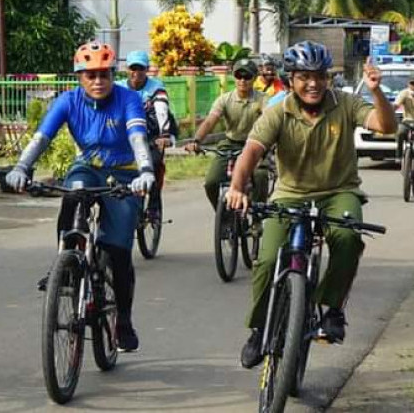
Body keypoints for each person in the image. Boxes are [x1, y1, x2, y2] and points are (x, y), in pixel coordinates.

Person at [225, 41, 396, 369]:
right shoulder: (279, 111)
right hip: (290, 195)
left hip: (339, 192)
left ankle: (332, 310)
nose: (313, 83)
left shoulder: (345, 104)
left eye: (319, 75)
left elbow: (385, 126)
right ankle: (260, 329)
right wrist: (237, 188)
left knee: (347, 239)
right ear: (291, 79)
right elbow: (251, 152)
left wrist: (376, 92)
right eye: (304, 76)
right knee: (267, 257)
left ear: (328, 77)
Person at [5, 40, 155, 352]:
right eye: (90, 75)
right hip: (87, 168)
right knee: (73, 195)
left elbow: (138, 136)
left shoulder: (128, 99)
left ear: (113, 75)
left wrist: (145, 171)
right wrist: (22, 167)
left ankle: (123, 320)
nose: (98, 81)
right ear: (78, 77)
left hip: (125, 174)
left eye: (104, 74)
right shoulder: (67, 102)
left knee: (119, 250)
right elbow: (41, 137)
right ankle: (66, 261)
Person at [184, 58, 268, 209]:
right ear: (233, 77)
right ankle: (223, 215)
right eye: (238, 76)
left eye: (247, 76)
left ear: (254, 78)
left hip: (255, 145)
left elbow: (269, 122)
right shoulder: (225, 99)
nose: (242, 80)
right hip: (230, 144)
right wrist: (196, 141)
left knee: (260, 176)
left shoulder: (262, 100)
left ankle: (257, 217)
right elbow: (210, 121)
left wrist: (267, 148)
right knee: (211, 182)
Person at [116, 50, 175, 217]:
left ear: (147, 69)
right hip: (125, 135)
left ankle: (154, 205)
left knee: (154, 163)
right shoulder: (118, 88)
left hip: (152, 135)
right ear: (127, 70)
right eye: (133, 69)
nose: (136, 73)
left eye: (140, 69)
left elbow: (161, 110)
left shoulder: (155, 87)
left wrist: (164, 135)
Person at [394, 73, 414, 182]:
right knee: (399, 132)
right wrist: (390, 111)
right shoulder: (404, 93)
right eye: (411, 83)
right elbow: (396, 104)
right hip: (407, 121)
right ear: (408, 84)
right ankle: (399, 156)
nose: (413, 86)